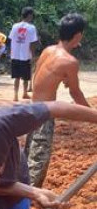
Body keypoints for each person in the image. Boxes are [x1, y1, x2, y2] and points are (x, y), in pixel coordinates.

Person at [27, 13, 89, 188]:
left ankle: (21, 188)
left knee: (29, 151)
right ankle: (29, 197)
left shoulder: (48, 51)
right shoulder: (70, 62)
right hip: (44, 113)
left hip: (32, 108)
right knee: (39, 158)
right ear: (77, 35)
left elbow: (38, 76)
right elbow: (75, 94)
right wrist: (92, 114)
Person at [9, 7, 39, 102]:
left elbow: (11, 39)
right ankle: (25, 93)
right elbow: (33, 43)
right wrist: (33, 55)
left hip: (15, 55)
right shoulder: (31, 28)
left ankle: (15, 95)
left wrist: (11, 51)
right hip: (25, 55)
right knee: (26, 77)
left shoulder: (15, 26)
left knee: (16, 76)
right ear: (29, 15)